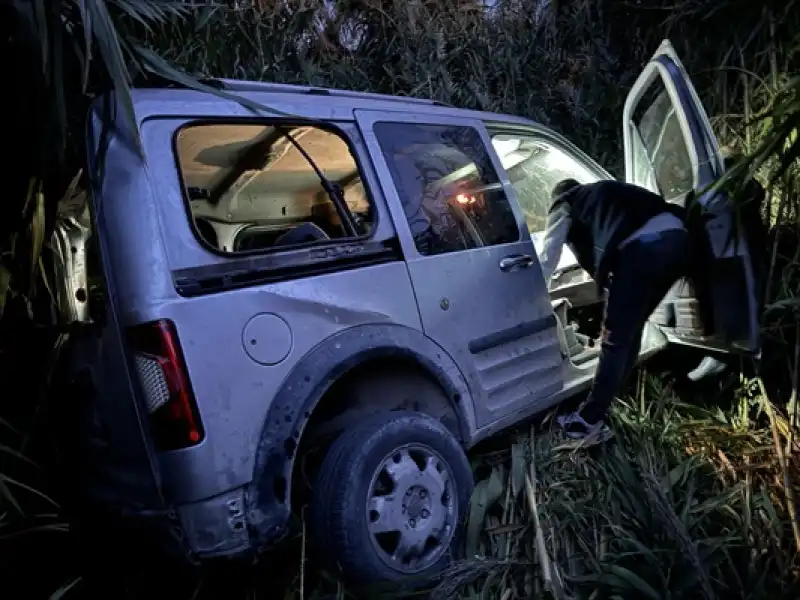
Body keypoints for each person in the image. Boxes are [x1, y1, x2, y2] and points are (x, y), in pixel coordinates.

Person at [539, 179, 690, 440]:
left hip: (644, 249)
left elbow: (548, 257)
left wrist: (532, 289)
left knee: (614, 342)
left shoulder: (565, 203)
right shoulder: (600, 195)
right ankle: (609, 400)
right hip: (681, 242)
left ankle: (587, 422)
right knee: (631, 331)